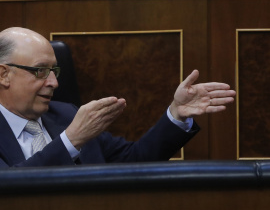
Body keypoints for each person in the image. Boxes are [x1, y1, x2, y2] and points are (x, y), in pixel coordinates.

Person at [0, 27, 236, 168]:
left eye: (55, 71)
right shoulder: (75, 129)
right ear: (4, 74)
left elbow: (135, 161)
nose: (54, 82)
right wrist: (70, 142)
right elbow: (10, 190)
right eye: (40, 71)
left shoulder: (68, 115)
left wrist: (176, 114)